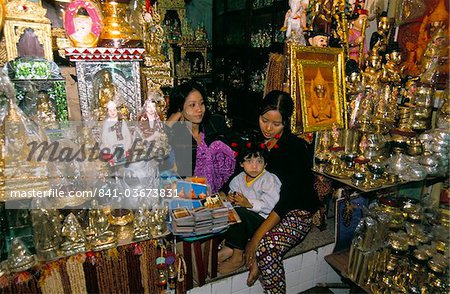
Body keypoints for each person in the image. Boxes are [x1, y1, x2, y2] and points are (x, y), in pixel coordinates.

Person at [244, 90, 321, 292]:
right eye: (264, 120)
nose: (268, 128)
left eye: (276, 124)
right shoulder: (256, 141)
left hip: (296, 211)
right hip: (266, 207)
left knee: (267, 248)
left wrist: (256, 238)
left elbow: (288, 200)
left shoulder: (295, 148)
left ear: (285, 122)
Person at [218, 142, 281, 274]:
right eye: (249, 161)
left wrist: (248, 203)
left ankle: (238, 256)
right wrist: (231, 200)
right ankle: (230, 247)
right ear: (241, 164)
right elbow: (232, 195)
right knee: (230, 212)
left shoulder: (268, 179)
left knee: (240, 213)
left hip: (264, 221)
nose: (254, 166)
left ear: (265, 164)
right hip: (244, 222)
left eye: (259, 161)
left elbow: (271, 205)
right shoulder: (238, 179)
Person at [165, 80, 236, 193]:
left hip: (217, 197)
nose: (199, 109)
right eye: (192, 105)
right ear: (180, 108)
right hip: (187, 197)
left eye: (201, 103)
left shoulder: (214, 126)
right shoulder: (175, 135)